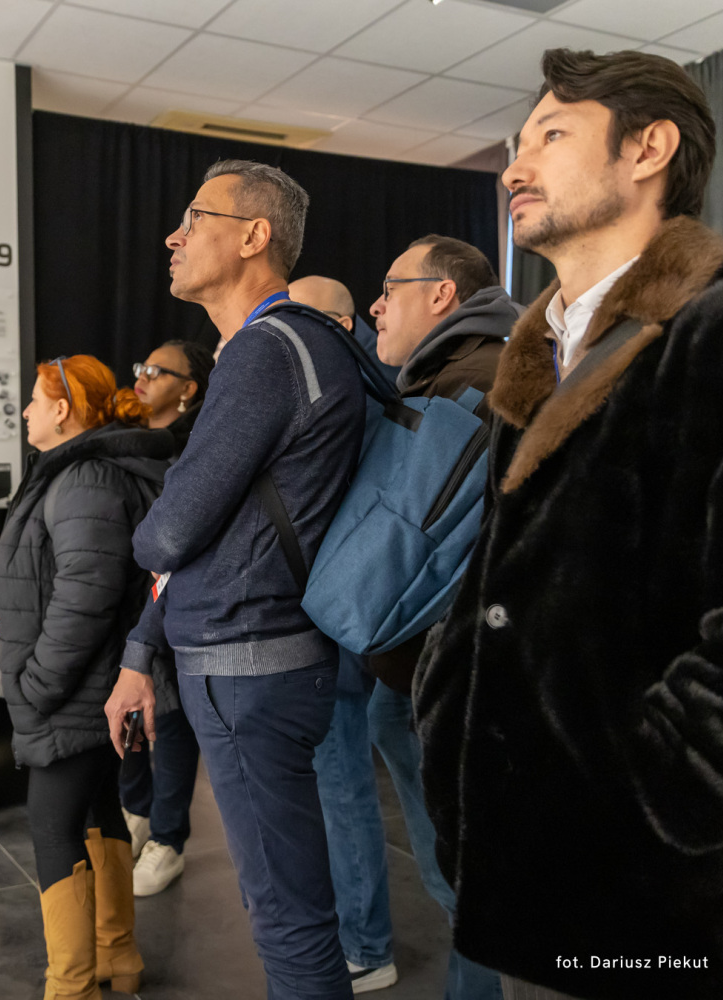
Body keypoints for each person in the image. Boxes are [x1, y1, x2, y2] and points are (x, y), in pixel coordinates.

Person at [414, 48, 723, 1000]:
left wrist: (670, 798)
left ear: (648, 148)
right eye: (516, 143)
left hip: (695, 913)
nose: (513, 168)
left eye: (550, 135)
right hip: (540, 886)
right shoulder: (541, 360)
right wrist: (449, 708)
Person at [105, 160, 366, 1000]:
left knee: (286, 916)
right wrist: (143, 649)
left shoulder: (266, 351)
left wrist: (155, 528)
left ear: (255, 236)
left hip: (249, 666)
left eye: (195, 218)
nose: (173, 236)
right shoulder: (296, 343)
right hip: (266, 656)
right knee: (289, 904)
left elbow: (168, 532)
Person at [319, 243, 517, 999]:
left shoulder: (479, 383)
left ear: (441, 295)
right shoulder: (453, 374)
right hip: (421, 672)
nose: (376, 306)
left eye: (389, 288)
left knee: (470, 885)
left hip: (452, 676)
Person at [0, 354, 170, 999]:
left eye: (36, 401)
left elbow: (86, 594)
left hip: (73, 690)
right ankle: (116, 955)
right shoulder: (78, 471)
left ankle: (70, 988)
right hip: (91, 688)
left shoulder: (84, 477)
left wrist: (37, 684)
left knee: (53, 826)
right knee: (98, 812)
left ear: (64, 410)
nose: (26, 412)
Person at [286, 274, 401, 993]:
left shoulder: (348, 385)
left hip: (344, 608)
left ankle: (366, 943)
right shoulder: (366, 378)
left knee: (342, 776)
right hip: (347, 603)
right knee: (339, 773)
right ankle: (360, 934)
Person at [119, 339, 215, 896]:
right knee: (129, 708)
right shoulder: (125, 440)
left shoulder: (199, 443)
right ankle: (137, 811)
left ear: (188, 390)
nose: (143, 376)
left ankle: (168, 838)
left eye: (157, 371)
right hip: (129, 595)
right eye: (142, 366)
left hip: (177, 598)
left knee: (172, 717)